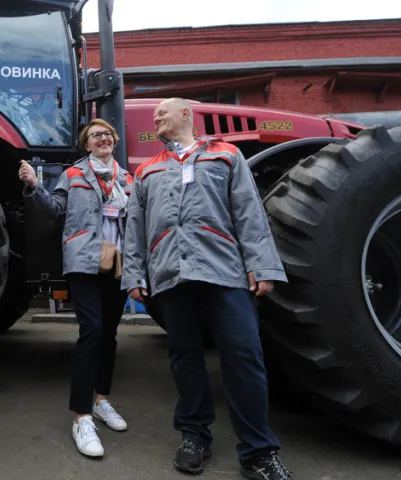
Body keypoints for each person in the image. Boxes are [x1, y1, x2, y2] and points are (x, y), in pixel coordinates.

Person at [121, 98, 293, 480]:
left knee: (244, 357)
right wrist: (133, 276)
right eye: (154, 116)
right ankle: (194, 436)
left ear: (187, 114)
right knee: (185, 358)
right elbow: (133, 229)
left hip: (225, 272)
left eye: (163, 112)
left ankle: (258, 451)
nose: (156, 117)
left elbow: (249, 213)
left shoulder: (226, 156)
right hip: (170, 275)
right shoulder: (147, 170)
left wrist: (261, 266)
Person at [18, 118, 134, 458]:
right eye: (96, 135)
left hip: (117, 265)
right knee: (92, 332)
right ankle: (82, 416)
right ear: (86, 145)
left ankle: (103, 401)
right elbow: (53, 211)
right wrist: (34, 186)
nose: (103, 139)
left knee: (110, 334)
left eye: (108, 135)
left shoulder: (127, 179)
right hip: (84, 262)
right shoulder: (73, 175)